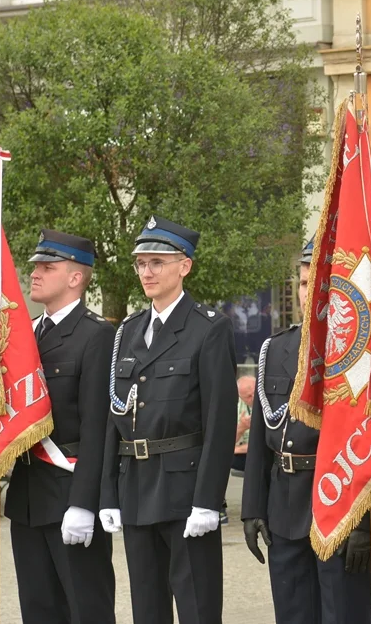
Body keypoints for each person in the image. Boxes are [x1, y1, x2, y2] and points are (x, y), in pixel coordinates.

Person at [99, 215, 237, 624]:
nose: (147, 271)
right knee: (147, 610)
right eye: (141, 263)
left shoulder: (209, 329)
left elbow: (220, 421)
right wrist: (109, 493)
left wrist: (208, 500)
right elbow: (115, 416)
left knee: (197, 607)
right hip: (136, 488)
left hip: (184, 489)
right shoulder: (127, 331)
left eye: (157, 262)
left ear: (185, 266)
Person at [242, 236, 371, 624]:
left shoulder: (360, 354)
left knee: (342, 615)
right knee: (293, 614)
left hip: (338, 507)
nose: (309, 292)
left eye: (320, 282)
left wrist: (364, 526)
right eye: (303, 283)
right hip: (284, 507)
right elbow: (259, 444)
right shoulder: (276, 349)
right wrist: (252, 507)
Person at [5, 230, 116, 623]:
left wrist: (85, 503)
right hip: (27, 498)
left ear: (75, 278)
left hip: (70, 493)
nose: (35, 274)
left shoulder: (96, 335)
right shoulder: (21, 336)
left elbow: (98, 427)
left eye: (47, 267)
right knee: (39, 611)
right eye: (35, 266)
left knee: (86, 609)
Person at [233, 376, 255, 473]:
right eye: (249, 396)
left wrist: (236, 449)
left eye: (255, 393)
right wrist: (242, 428)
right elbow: (227, 442)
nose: (254, 398)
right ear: (241, 397)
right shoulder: (236, 407)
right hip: (244, 453)